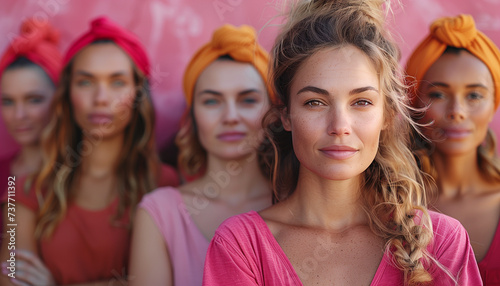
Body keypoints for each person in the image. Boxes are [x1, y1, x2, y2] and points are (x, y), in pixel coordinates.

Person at [203, 1, 482, 285]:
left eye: (361, 102)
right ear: (286, 115)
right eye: (315, 102)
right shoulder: (241, 246)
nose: (339, 127)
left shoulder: (443, 244)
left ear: (387, 115)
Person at [0, 16, 179, 286]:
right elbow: (10, 275)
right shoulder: (23, 190)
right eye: (86, 82)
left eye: (117, 82)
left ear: (138, 94)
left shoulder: (164, 184)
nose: (101, 98)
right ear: (67, 94)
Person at [128, 24, 275, 286]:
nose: (230, 117)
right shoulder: (160, 213)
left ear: (273, 113)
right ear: (192, 117)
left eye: (248, 99)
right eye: (211, 101)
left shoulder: (298, 204)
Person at [406, 14, 500, 284]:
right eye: (438, 94)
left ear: (494, 102)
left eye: (474, 95)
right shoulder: (387, 206)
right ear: (415, 102)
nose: (457, 112)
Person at [0, 18, 61, 200]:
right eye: (8, 101)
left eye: (34, 100)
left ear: (60, 99)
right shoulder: (4, 174)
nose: (19, 115)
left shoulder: (80, 175)